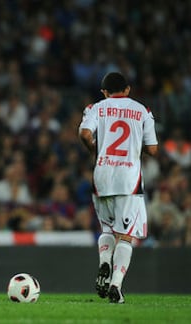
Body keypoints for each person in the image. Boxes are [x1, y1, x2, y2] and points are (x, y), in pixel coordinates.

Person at [78, 72, 158, 304]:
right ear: (127, 89)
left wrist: (94, 149)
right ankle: (116, 285)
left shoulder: (96, 108)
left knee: (107, 228)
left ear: (104, 92)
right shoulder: (143, 111)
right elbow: (153, 149)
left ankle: (104, 261)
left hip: (102, 174)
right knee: (126, 235)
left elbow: (84, 133)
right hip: (128, 178)